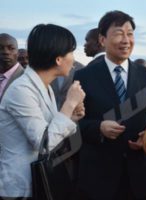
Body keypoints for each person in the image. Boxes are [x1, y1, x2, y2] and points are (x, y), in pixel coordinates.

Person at [74, 10, 146, 200]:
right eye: (119, 33)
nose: (126, 40)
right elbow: (73, 124)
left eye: (130, 33)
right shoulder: (83, 76)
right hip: (98, 176)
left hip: (138, 174)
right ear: (102, 40)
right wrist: (98, 128)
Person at [0, 24, 85, 199]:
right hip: (20, 188)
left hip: (38, 182)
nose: (74, 59)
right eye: (71, 52)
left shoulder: (44, 87)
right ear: (58, 59)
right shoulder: (22, 89)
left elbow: (52, 130)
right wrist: (69, 104)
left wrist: (72, 116)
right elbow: (44, 144)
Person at [0, 33, 24, 100]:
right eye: (0, 48)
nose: (6, 52)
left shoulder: (26, 77)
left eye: (11, 48)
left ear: (18, 52)